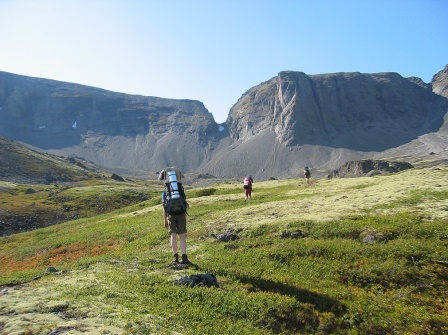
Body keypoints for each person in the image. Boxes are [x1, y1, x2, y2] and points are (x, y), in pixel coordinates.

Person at [159, 167, 191, 264]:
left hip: (171, 215)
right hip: (181, 214)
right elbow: (184, 203)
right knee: (182, 236)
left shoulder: (166, 193)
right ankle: (184, 257)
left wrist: (165, 220)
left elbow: (164, 207)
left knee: (173, 235)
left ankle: (175, 257)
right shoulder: (180, 190)